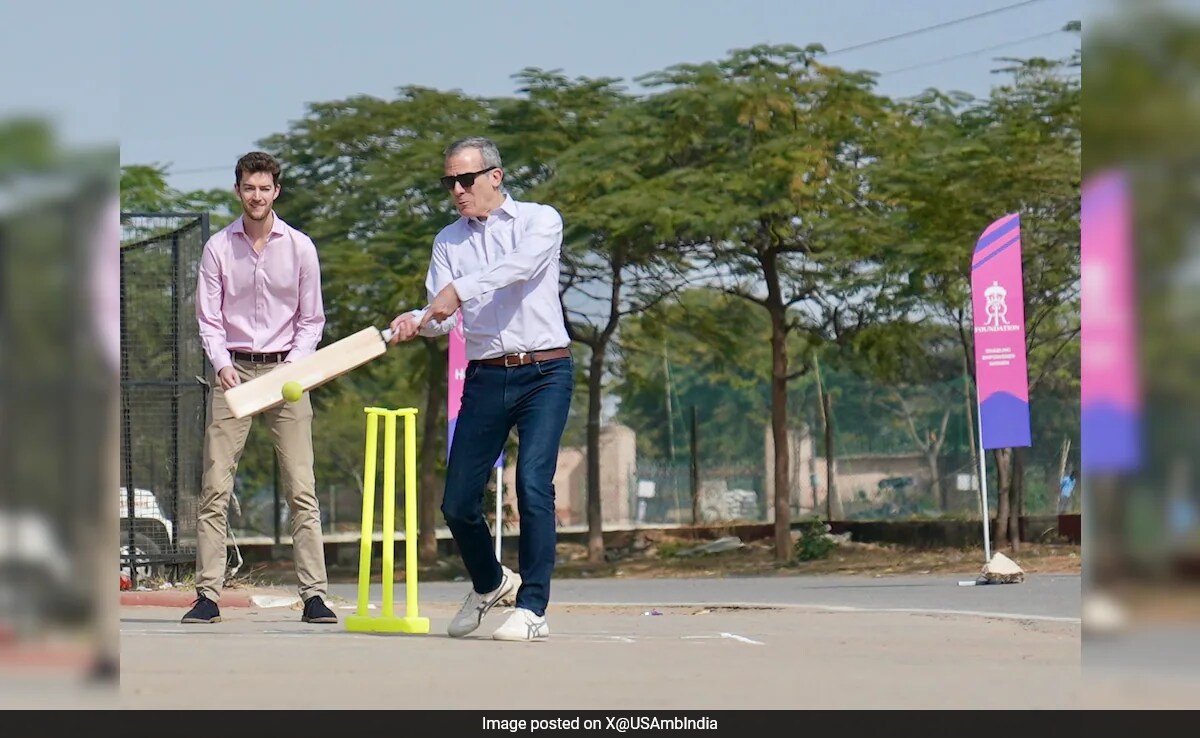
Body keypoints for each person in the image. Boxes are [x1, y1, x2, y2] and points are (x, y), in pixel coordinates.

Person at [389, 136, 573, 642]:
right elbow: (443, 316)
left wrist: (458, 290)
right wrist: (416, 320)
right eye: (449, 182)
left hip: (545, 372)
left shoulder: (539, 220)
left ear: (495, 176)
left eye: (465, 180)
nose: (457, 190)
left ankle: (533, 608)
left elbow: (519, 269)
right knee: (457, 503)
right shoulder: (448, 241)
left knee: (532, 485)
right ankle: (490, 582)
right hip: (486, 377)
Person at [182, 151, 337, 625]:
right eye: (249, 188)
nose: (256, 196)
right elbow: (209, 318)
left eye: (264, 188)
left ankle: (314, 596)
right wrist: (221, 364)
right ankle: (207, 595)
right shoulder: (218, 248)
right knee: (214, 487)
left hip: (287, 372)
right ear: (238, 191)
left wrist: (293, 367)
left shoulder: (300, 247)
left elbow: (312, 319)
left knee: (301, 487)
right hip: (234, 373)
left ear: (276, 192)